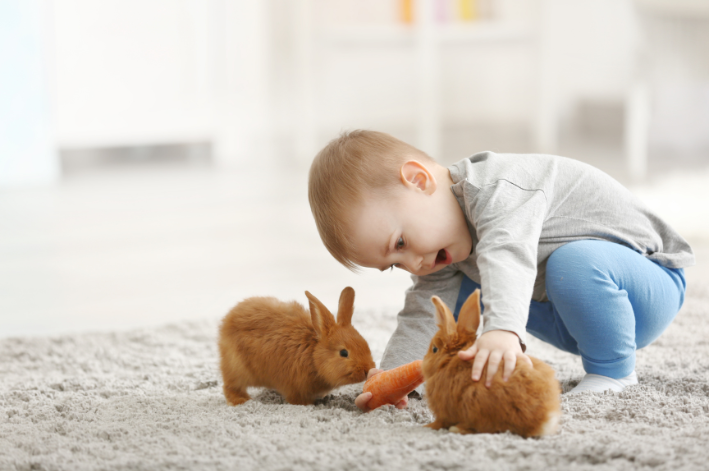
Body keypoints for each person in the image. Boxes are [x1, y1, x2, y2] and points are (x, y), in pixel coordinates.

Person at [307, 130, 694, 412]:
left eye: (401, 244)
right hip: (573, 315)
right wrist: (393, 376)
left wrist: (503, 329)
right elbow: (425, 305)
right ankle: (588, 345)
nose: (414, 264)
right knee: (455, 298)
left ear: (419, 181)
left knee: (563, 266)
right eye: (395, 265)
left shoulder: (497, 189)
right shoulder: (442, 250)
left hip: (646, 284)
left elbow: (507, 254)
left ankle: (614, 373)